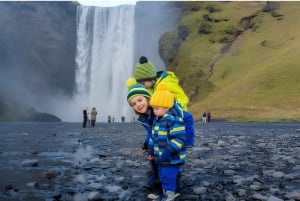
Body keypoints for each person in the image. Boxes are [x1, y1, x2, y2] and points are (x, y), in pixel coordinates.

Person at [126, 79, 185, 200]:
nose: (138, 104)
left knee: (171, 161)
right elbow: (152, 133)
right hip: (162, 139)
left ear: (148, 98)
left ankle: (166, 185)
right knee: (151, 153)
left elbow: (179, 129)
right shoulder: (146, 116)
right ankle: (158, 179)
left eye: (140, 100)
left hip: (176, 136)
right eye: (134, 104)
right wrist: (147, 144)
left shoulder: (161, 110)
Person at [132, 56, 195, 147]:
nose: (143, 86)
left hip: (177, 112)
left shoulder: (167, 83)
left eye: (143, 83)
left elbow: (182, 98)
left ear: (151, 78)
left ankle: (188, 143)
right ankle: (151, 142)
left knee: (185, 122)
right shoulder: (149, 89)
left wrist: (172, 108)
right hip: (160, 113)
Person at [148, 83, 186, 201]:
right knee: (163, 175)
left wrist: (167, 152)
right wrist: (151, 150)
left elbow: (179, 139)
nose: (154, 111)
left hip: (172, 158)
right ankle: (166, 192)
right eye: (153, 108)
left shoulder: (174, 120)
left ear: (166, 107)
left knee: (169, 176)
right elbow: (153, 137)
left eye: (156, 108)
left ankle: (169, 195)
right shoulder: (158, 121)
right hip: (161, 157)